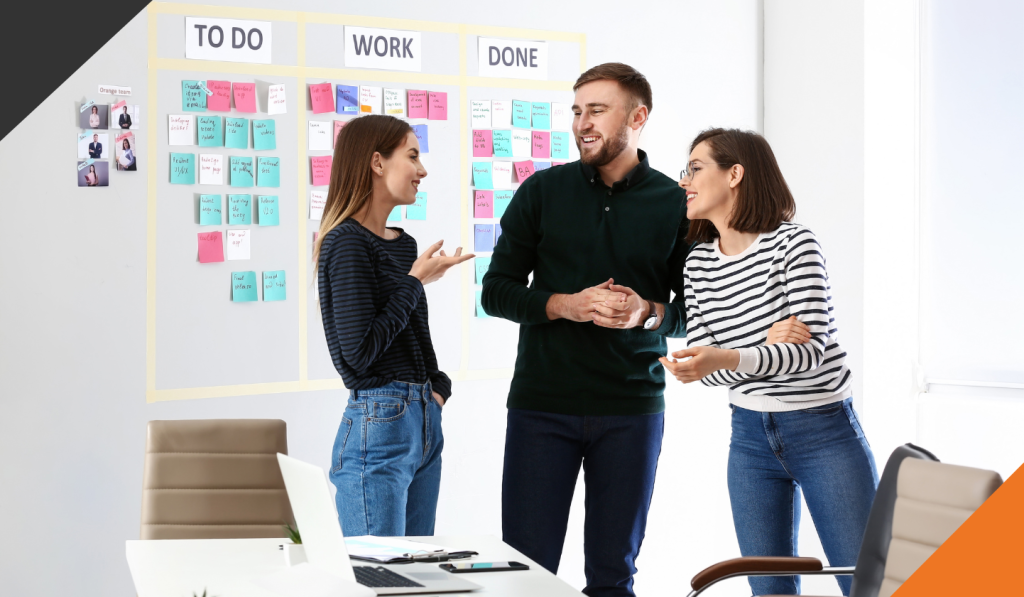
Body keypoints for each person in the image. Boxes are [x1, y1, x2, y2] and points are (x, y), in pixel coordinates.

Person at [481, 63, 688, 597]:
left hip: (632, 410)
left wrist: (647, 311)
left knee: (613, 577)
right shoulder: (541, 191)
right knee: (526, 576)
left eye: (596, 110)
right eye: (576, 111)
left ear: (637, 118)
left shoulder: (677, 203)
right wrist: (563, 305)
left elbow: (696, 311)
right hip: (542, 407)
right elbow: (495, 290)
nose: (582, 123)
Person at [662, 128, 878, 596]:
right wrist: (762, 340)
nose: (684, 181)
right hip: (749, 439)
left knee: (868, 586)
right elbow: (705, 368)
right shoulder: (697, 264)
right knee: (768, 591)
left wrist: (728, 354)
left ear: (735, 174)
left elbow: (808, 353)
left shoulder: (794, 244)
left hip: (823, 431)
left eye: (695, 168)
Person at [313, 114, 473, 537]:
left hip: (422, 419)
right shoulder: (345, 242)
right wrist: (415, 282)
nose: (422, 170)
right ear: (377, 162)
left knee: (416, 568)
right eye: (413, 156)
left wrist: (438, 389)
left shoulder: (404, 245)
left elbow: (414, 334)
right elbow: (358, 354)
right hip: (379, 423)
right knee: (380, 571)